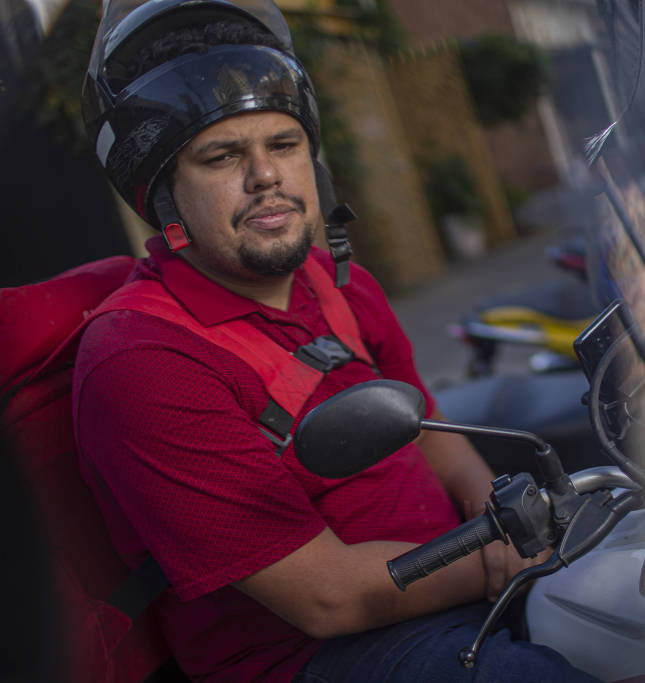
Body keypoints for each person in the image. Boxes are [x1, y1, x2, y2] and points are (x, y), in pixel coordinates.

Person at [73, 1, 597, 680]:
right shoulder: (141, 361)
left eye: (284, 145)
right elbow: (326, 599)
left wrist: (500, 513)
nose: (266, 176)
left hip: (460, 574)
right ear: (163, 195)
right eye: (223, 155)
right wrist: (498, 559)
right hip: (327, 654)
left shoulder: (336, 282)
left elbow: (426, 425)